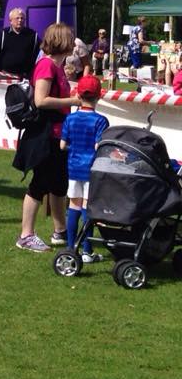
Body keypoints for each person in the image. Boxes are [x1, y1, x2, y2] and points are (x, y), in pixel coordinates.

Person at [14, 23, 81, 252]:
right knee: (40, 184)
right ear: (62, 41)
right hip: (45, 134)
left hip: (58, 134)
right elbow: (40, 100)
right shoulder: (46, 66)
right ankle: (26, 235)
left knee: (59, 184)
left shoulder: (59, 67)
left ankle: (60, 231)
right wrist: (71, 102)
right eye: (71, 38)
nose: (74, 42)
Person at [60, 75, 109, 263]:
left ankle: (71, 247)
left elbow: (63, 145)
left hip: (73, 168)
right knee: (87, 208)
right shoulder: (101, 121)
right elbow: (99, 147)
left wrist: (77, 149)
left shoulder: (70, 119)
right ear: (99, 96)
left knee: (73, 206)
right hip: (91, 170)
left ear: (78, 95)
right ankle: (87, 251)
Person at [0, 7, 39, 79]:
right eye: (17, 18)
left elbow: (36, 54)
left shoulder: (32, 35)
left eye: (22, 18)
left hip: (25, 76)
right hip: (6, 75)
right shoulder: (3, 34)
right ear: (10, 21)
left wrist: (30, 72)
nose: (20, 20)